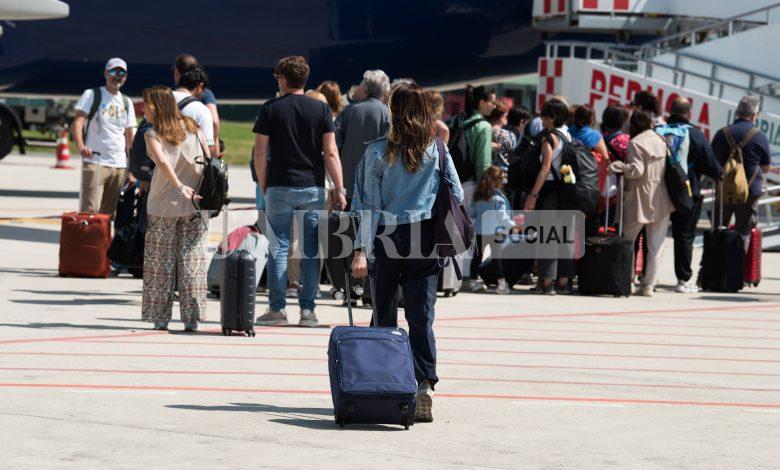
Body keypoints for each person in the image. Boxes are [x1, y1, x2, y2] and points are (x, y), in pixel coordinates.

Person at [350, 82, 464, 423]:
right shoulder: (437, 149)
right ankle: (423, 383)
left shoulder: (377, 152)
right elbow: (456, 193)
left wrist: (360, 250)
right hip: (425, 238)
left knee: (384, 311)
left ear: (393, 111)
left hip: (388, 237)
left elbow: (367, 205)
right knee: (421, 315)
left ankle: (386, 380)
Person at [253, 55, 347, 328]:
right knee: (310, 250)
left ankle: (278, 309)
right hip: (312, 186)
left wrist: (263, 182)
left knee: (279, 248)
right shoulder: (320, 110)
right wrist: (339, 188)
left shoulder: (270, 108)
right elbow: (330, 152)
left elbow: (260, 151)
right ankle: (308, 312)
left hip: (280, 185)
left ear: (283, 79)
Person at [140, 86, 210, 332]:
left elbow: (161, 161)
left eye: (146, 104)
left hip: (163, 205)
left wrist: (179, 185)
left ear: (157, 107)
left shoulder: (152, 134)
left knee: (160, 262)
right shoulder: (193, 126)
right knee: (191, 261)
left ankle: (160, 318)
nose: (142, 108)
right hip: (196, 204)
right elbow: (209, 157)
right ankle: (192, 318)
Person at [607, 111, 674, 297]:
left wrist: (618, 166)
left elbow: (636, 171)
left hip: (639, 198)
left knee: (628, 242)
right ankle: (648, 286)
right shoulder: (662, 140)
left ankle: (626, 280)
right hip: (661, 198)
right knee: (656, 246)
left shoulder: (636, 143)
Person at [664, 97, 722, 293]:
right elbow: (712, 166)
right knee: (684, 236)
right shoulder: (695, 134)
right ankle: (682, 279)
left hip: (659, 191)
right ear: (689, 114)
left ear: (669, 111)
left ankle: (644, 275)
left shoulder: (659, 131)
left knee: (651, 235)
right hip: (686, 193)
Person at [72, 57, 136, 215]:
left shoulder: (127, 102)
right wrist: (80, 147)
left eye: (122, 72)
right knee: (89, 211)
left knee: (108, 215)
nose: (118, 76)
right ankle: (87, 241)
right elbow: (78, 123)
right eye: (114, 71)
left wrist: (132, 169)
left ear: (126, 76)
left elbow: (130, 137)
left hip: (118, 164)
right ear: (106, 73)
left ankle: (104, 241)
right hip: (95, 161)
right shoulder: (92, 95)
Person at [524, 99, 574, 295]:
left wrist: (533, 194)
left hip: (550, 189)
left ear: (552, 117)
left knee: (548, 237)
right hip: (566, 188)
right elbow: (567, 167)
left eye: (544, 116)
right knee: (564, 237)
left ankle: (545, 282)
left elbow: (545, 168)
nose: (542, 120)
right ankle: (563, 281)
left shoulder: (549, 138)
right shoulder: (567, 135)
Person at [711, 95, 770, 250]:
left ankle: (716, 267)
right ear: (753, 115)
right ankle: (736, 268)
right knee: (743, 231)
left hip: (724, 190)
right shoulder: (760, 136)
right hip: (749, 192)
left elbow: (711, 162)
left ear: (737, 112)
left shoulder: (721, 133)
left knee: (719, 228)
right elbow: (765, 168)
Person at [335, 69, 391, 203]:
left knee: (348, 223)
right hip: (376, 187)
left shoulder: (349, 111)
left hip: (348, 184)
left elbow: (334, 142)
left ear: (365, 89)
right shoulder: (388, 114)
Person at [468, 166, 514, 294]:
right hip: (495, 232)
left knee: (477, 257)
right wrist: (513, 225)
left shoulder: (477, 197)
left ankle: (472, 282)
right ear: (498, 181)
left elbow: (471, 213)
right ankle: (501, 284)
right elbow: (503, 217)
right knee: (496, 258)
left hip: (479, 231)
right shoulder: (499, 199)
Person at [569, 105, 609, 235]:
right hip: (590, 186)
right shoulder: (595, 136)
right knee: (589, 227)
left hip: (569, 184)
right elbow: (606, 159)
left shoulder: (568, 133)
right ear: (592, 120)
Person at [173, 54, 221, 157]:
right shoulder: (202, 108)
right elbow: (214, 121)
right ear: (201, 86)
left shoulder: (162, 98)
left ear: (177, 72)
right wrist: (215, 144)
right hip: (190, 165)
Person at [600, 104, 631, 226]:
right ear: (623, 121)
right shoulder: (626, 140)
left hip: (597, 187)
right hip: (617, 192)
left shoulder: (597, 137)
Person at [488, 101, 517, 171]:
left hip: (488, 171)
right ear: (501, 116)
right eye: (506, 115)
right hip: (502, 173)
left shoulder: (485, 131)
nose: (507, 117)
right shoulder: (508, 135)